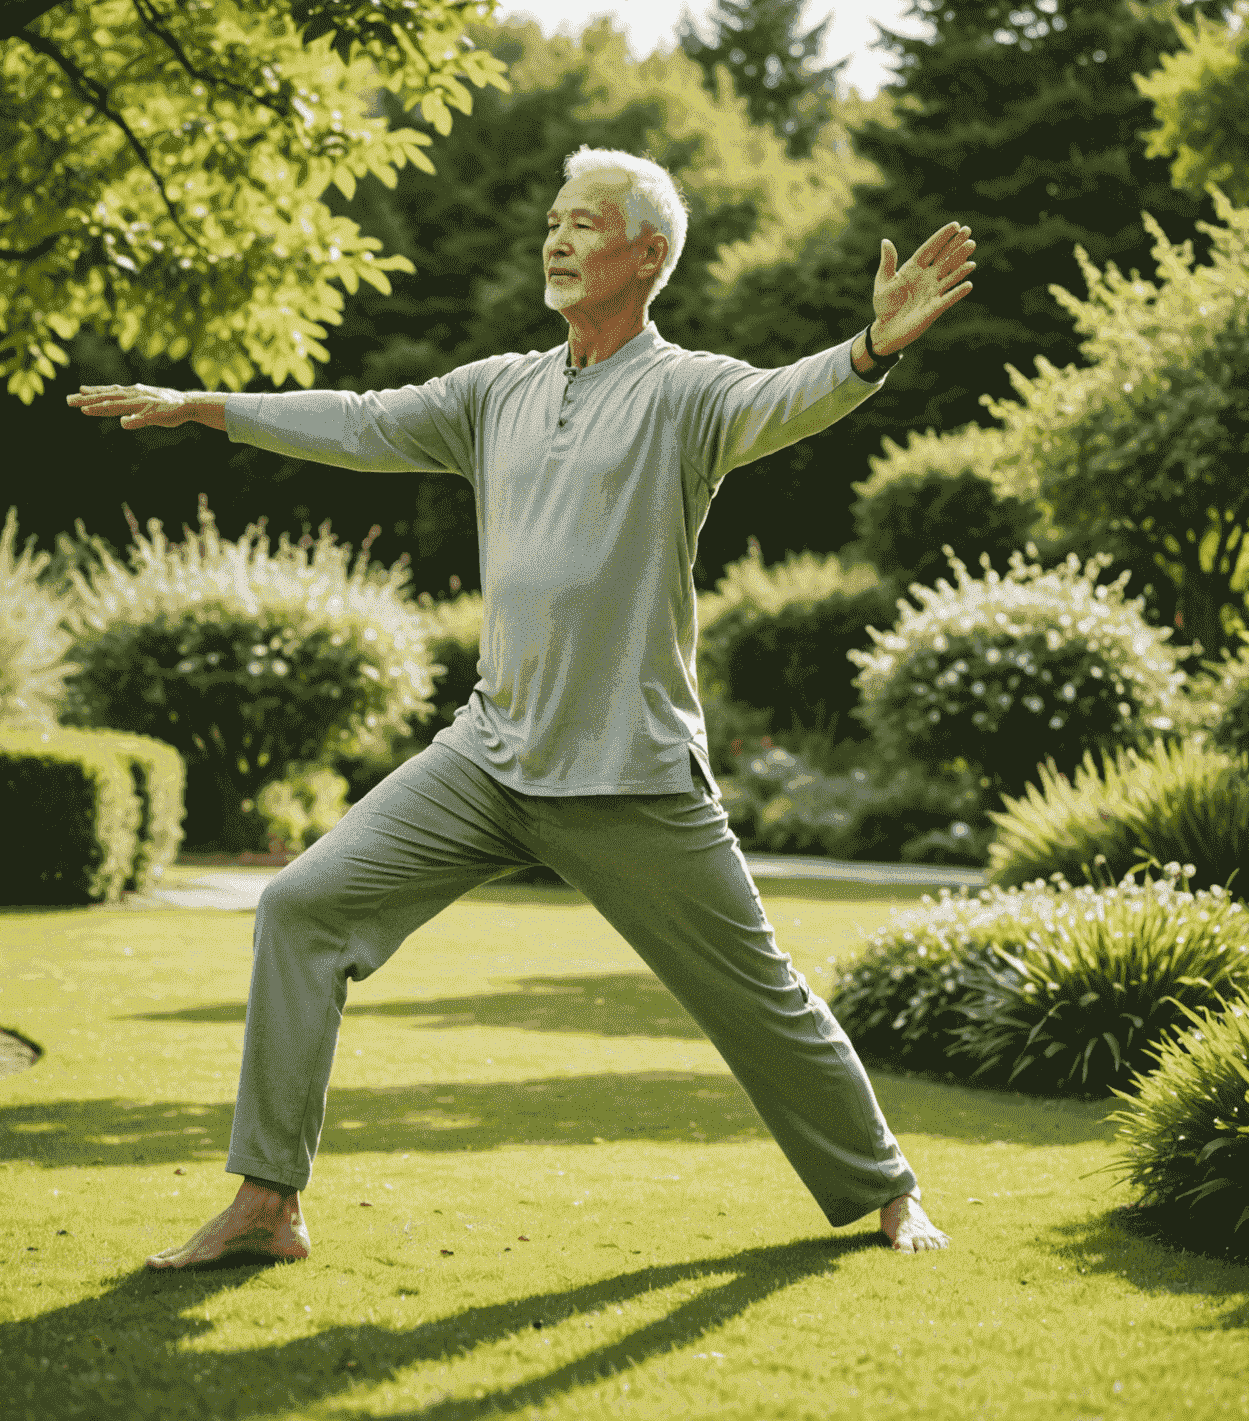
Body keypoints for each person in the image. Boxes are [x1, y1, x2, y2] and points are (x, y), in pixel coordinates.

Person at [68, 146, 976, 1269]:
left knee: (760, 999)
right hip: (489, 756)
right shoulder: (497, 390)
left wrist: (871, 349)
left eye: (585, 224)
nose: (556, 237)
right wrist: (206, 407)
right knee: (301, 908)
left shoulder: (686, 393)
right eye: (552, 219)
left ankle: (888, 1190)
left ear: (648, 256)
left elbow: (782, 401)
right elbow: (360, 419)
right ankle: (269, 1204)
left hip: (629, 772)